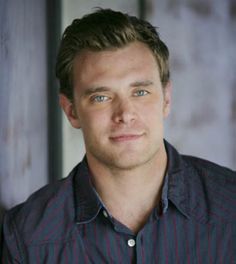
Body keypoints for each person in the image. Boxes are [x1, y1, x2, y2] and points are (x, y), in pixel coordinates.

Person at [1, 8, 236, 263]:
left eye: (140, 92)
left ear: (166, 99)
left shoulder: (231, 206)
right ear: (72, 111)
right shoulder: (27, 236)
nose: (125, 114)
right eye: (101, 97)